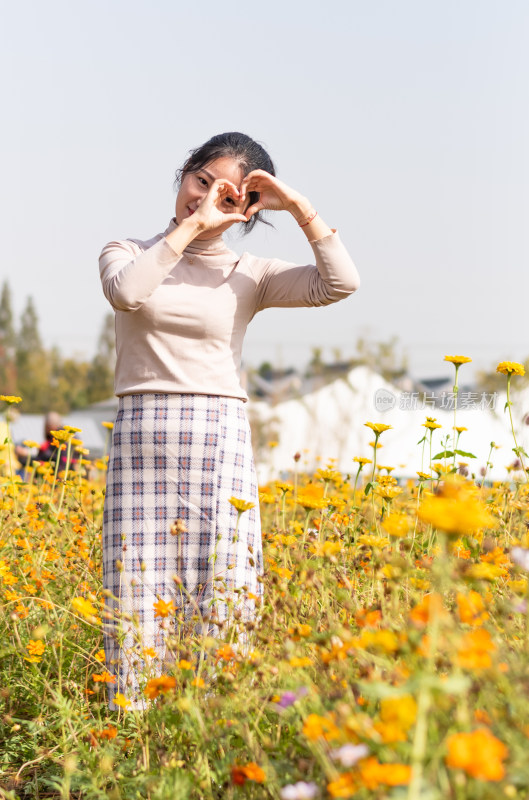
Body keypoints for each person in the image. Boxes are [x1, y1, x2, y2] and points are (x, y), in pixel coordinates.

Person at [99, 131, 360, 708]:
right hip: (142, 439)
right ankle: (132, 732)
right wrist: (190, 228)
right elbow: (127, 295)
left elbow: (341, 282)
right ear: (183, 176)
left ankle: (212, 723)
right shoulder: (126, 249)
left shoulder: (253, 271)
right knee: (135, 588)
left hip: (219, 438)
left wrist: (298, 207)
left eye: (228, 193)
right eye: (201, 181)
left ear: (249, 208)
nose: (207, 197)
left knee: (221, 588)